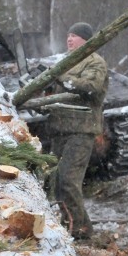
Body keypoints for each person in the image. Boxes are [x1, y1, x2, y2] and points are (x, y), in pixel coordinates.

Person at [48, 22, 108, 240]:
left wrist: (61, 78)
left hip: (80, 130)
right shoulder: (67, 61)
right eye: (68, 35)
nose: (69, 39)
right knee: (56, 182)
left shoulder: (94, 62)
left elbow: (90, 87)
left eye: (74, 35)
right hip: (60, 130)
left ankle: (79, 233)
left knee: (68, 181)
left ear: (86, 39)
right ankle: (75, 226)